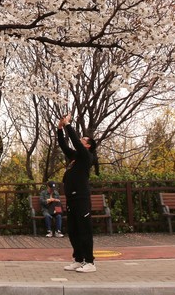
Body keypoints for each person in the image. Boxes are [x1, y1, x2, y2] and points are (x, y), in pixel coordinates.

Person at [56, 114, 99, 273]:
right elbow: (63, 145)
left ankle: (90, 262)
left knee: (84, 230)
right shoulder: (75, 157)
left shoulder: (87, 157)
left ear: (88, 145)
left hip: (81, 198)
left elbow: (74, 141)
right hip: (71, 198)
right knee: (73, 230)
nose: (80, 140)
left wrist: (68, 124)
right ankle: (78, 259)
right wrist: (60, 128)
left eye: (83, 139)